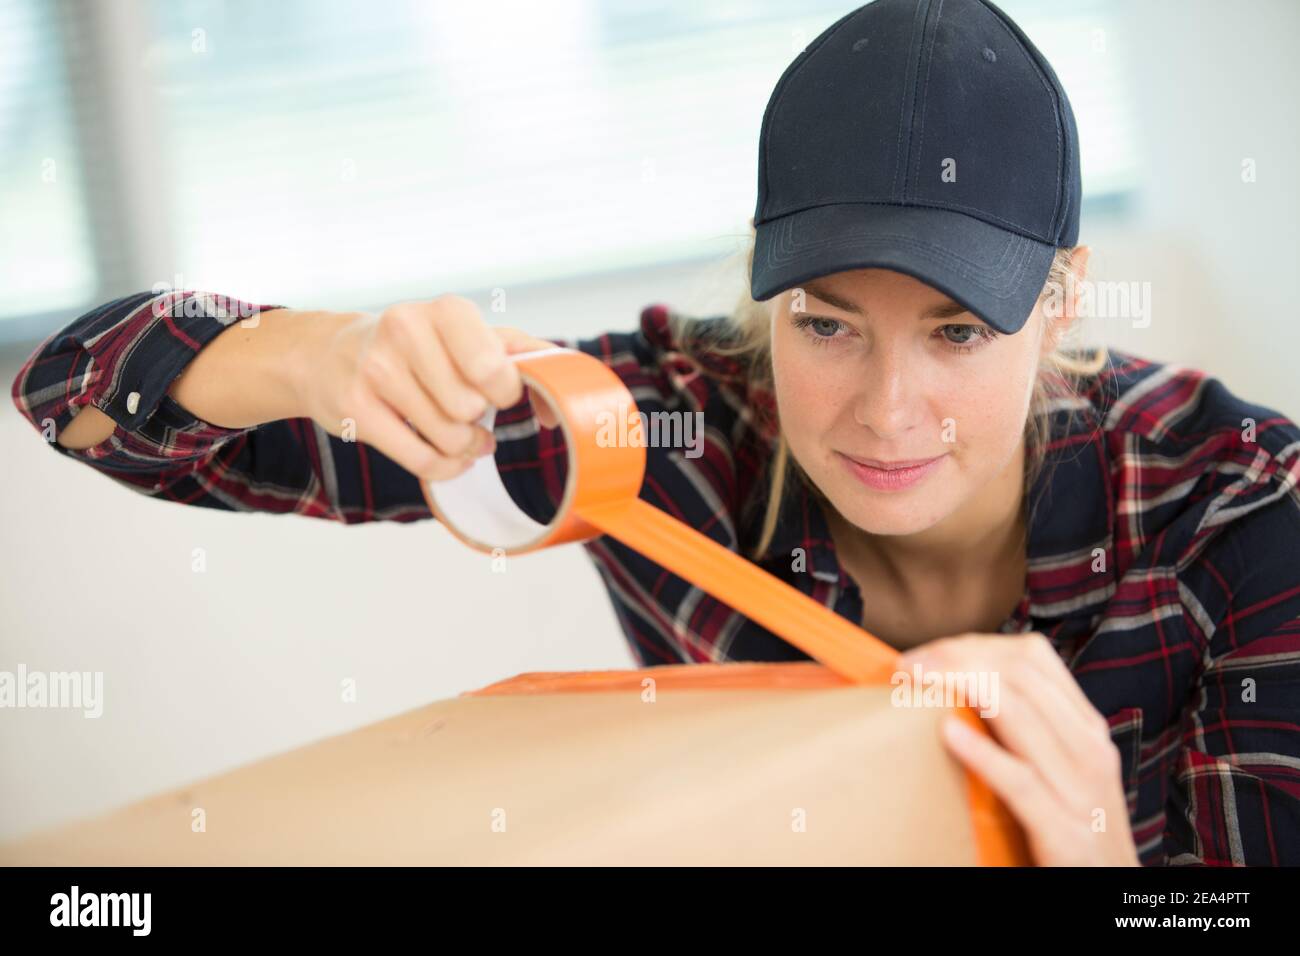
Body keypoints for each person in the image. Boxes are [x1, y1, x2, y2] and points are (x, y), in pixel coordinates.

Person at [12, 0, 1300, 866]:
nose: (885, 410)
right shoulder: (656, 429)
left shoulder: (1246, 511)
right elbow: (79, 400)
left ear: (1061, 296)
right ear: (763, 282)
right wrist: (319, 352)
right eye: (828, 323)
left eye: (957, 333)